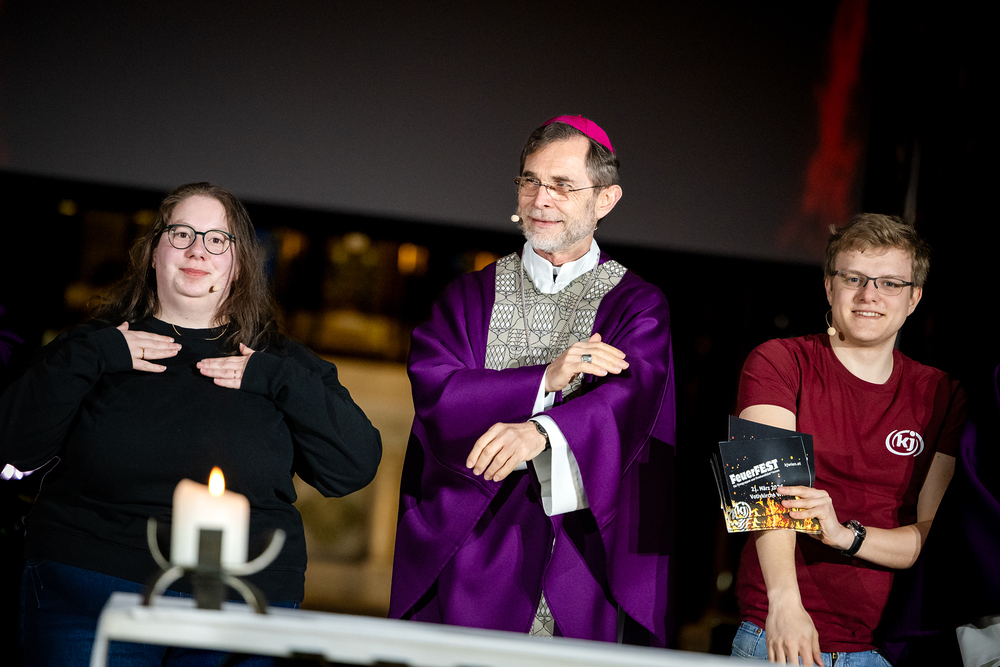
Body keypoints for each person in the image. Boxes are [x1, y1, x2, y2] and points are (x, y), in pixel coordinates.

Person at [0, 182, 382, 666]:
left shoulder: (282, 364)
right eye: (181, 234)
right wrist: (94, 355)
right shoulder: (90, 347)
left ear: (239, 265)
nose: (197, 249)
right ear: (152, 253)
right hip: (89, 592)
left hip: (238, 606)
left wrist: (276, 378)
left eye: (217, 239)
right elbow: (12, 446)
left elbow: (352, 467)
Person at [388, 116, 677, 646]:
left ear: (606, 199)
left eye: (563, 185)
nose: (540, 199)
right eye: (530, 181)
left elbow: (629, 401)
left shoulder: (635, 305)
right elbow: (437, 391)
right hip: (471, 544)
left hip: (578, 552)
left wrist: (541, 432)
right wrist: (544, 377)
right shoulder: (468, 296)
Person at [730, 214, 966, 665]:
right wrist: (785, 605)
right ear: (829, 286)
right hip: (779, 632)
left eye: (890, 283)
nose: (869, 295)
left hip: (887, 646)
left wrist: (844, 535)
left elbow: (932, 538)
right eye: (853, 278)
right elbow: (761, 497)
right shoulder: (778, 361)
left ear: (914, 298)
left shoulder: (942, 393)